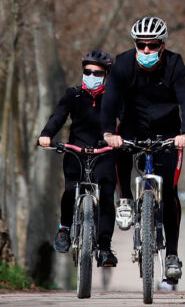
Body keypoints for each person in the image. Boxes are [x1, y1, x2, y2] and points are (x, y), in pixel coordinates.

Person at [101, 16, 185, 282]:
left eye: (152, 46)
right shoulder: (122, 63)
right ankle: (126, 200)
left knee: (171, 191)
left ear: (162, 45)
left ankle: (173, 256)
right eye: (141, 45)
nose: (146, 51)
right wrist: (108, 132)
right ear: (135, 44)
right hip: (132, 128)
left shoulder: (175, 65)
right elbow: (110, 100)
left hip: (169, 134)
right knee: (118, 147)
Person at [38, 50, 118, 267]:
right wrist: (46, 135)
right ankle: (64, 229)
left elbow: (127, 120)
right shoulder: (72, 95)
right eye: (87, 71)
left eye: (97, 73)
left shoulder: (114, 97)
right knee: (71, 189)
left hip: (104, 153)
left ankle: (104, 247)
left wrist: (123, 139)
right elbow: (58, 116)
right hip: (76, 151)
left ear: (106, 75)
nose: (91, 76)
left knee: (107, 197)